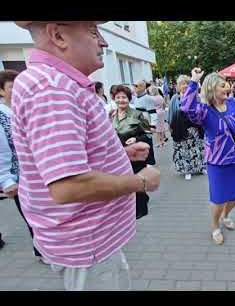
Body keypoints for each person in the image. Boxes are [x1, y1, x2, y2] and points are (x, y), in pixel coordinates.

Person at [11, 21, 160, 291]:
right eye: (93, 31)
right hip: (89, 248)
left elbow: (66, 161)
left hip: (91, 244)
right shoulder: (52, 89)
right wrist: (141, 182)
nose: (103, 42)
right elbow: (67, 186)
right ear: (58, 35)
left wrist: (120, 154)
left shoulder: (56, 84)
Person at [181, 67, 235, 245]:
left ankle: (226, 216)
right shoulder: (204, 111)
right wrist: (193, 81)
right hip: (217, 163)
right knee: (219, 198)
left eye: (226, 84)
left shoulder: (234, 104)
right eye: (222, 85)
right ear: (212, 88)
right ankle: (215, 226)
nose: (227, 87)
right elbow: (186, 108)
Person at [0, 69, 47, 262]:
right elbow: (2, 151)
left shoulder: (24, 109)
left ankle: (46, 248)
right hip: (19, 176)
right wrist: (6, 179)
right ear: (1, 91)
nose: (18, 89)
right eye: (12, 86)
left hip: (37, 171)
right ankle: (43, 251)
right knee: (33, 216)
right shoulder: (2, 116)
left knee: (43, 212)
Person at [111, 85, 155, 219]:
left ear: (129, 99)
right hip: (120, 154)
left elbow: (148, 134)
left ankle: (141, 209)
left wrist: (136, 138)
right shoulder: (112, 115)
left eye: (124, 97)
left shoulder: (137, 115)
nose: (121, 100)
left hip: (136, 155)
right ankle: (134, 205)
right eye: (118, 97)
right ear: (114, 99)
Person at [167, 75, 206, 180]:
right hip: (180, 127)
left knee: (198, 148)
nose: (185, 85)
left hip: (194, 127)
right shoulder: (175, 98)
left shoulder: (196, 97)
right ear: (178, 86)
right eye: (182, 83)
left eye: (187, 83)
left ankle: (201, 167)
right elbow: (170, 113)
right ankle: (187, 170)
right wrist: (170, 126)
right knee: (183, 149)